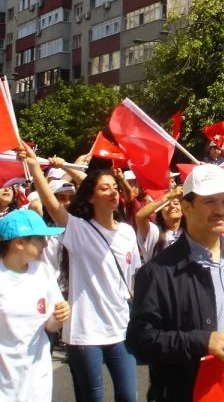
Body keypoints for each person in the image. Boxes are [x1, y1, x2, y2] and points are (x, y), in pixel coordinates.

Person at [126, 164, 224, 401]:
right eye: (210, 201)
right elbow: (140, 340)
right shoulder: (157, 272)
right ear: (186, 207)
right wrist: (201, 341)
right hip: (190, 393)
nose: (220, 210)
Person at [19, 142, 142, 402]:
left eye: (115, 187)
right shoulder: (79, 230)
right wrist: (36, 167)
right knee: (92, 397)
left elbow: (133, 279)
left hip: (121, 329)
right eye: (104, 188)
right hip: (85, 332)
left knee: (128, 396)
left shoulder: (128, 233)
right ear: (90, 197)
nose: (113, 192)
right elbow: (52, 205)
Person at [0, 209, 71, 401]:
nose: (46, 243)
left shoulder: (43, 271)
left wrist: (59, 316)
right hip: (5, 383)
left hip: (37, 381)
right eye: (40, 238)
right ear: (19, 242)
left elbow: (51, 326)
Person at [135, 186, 184, 261]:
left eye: (176, 203)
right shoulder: (154, 232)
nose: (172, 206)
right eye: (166, 205)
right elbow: (140, 217)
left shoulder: (191, 232)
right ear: (160, 212)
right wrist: (167, 196)